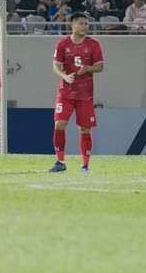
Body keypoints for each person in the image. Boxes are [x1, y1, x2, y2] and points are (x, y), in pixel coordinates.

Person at [49, 12, 104, 174]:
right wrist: (64, 76)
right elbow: (55, 66)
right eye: (81, 23)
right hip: (65, 92)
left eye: (86, 24)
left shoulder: (93, 44)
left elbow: (100, 66)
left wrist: (88, 68)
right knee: (59, 124)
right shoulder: (62, 44)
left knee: (85, 128)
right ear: (72, 24)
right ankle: (60, 161)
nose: (85, 27)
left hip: (85, 94)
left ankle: (85, 165)